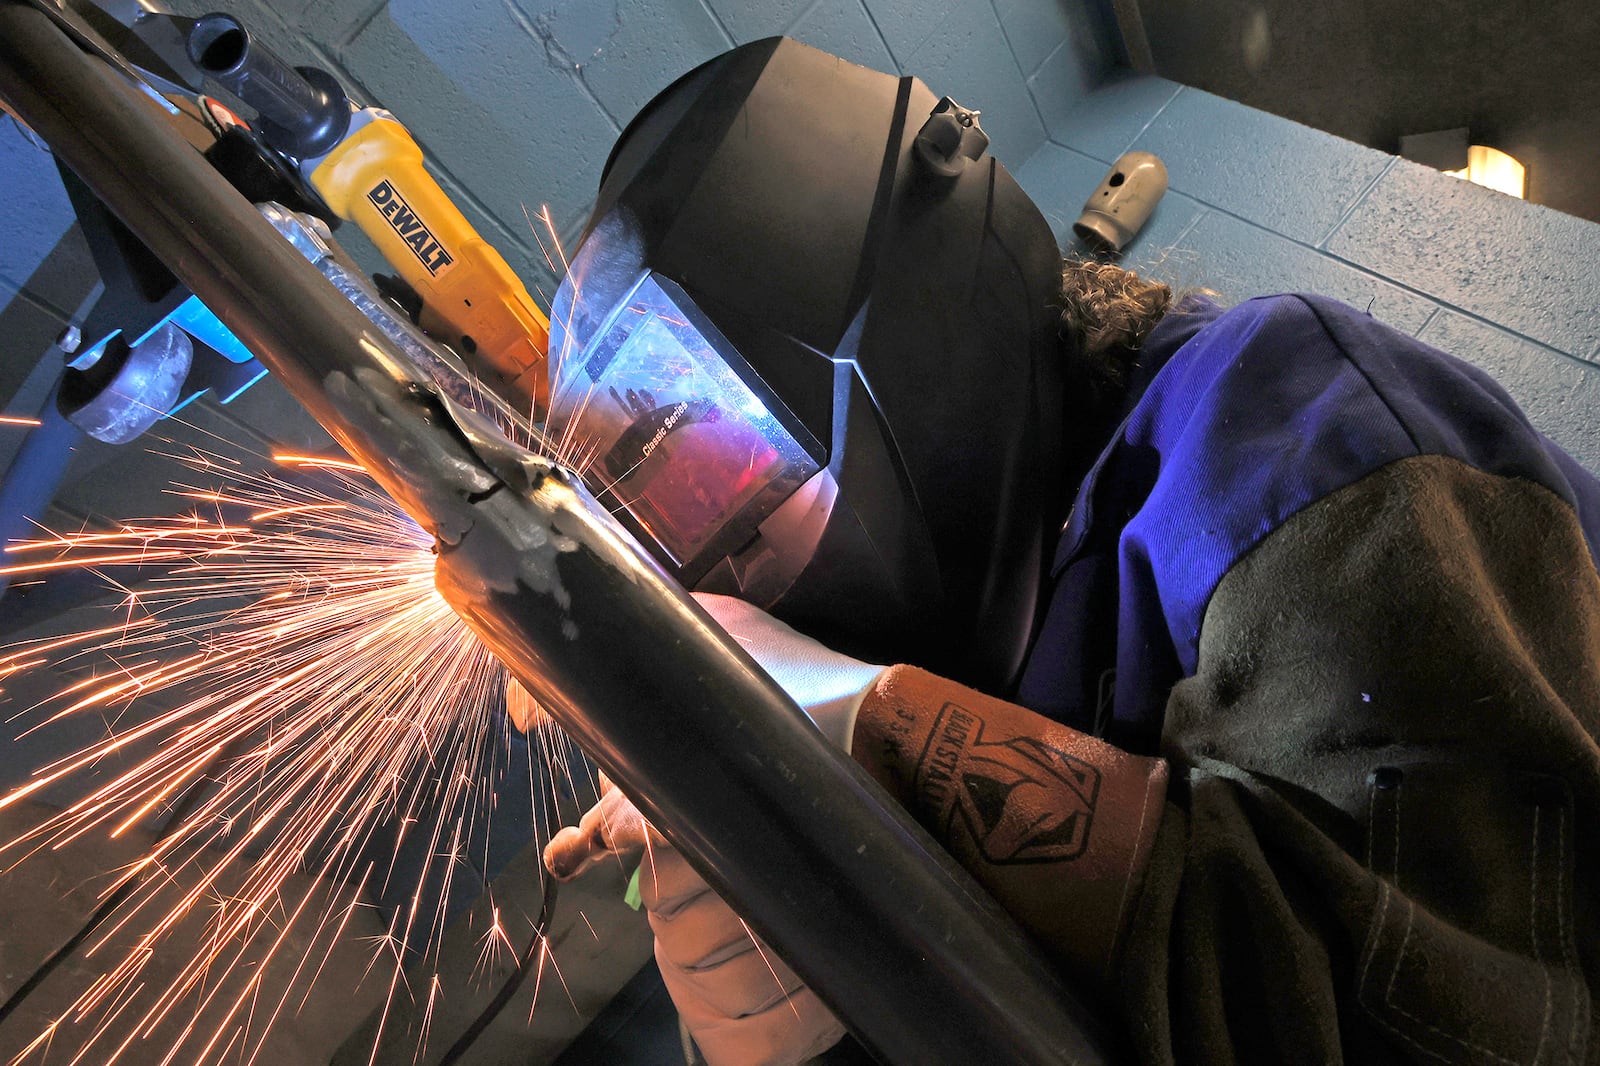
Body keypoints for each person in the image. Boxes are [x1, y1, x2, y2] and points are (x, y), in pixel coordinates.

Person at [524, 37, 1600, 1066]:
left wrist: (867, 723)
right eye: (654, 526)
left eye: (707, 465)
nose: (713, 575)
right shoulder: (984, 664)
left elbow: (1454, 1019)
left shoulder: (1275, 415)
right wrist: (801, 982)